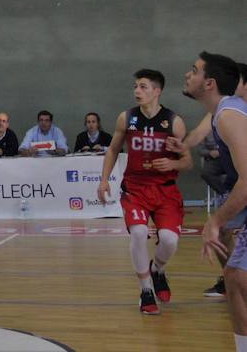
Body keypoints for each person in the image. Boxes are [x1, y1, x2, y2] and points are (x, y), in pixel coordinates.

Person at [97, 69, 189, 315]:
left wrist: (173, 164)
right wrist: (104, 180)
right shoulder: (126, 118)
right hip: (135, 188)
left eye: (143, 87)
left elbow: (187, 161)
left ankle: (158, 269)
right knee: (138, 233)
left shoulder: (174, 121)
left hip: (165, 191)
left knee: (169, 240)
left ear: (157, 91)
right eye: (136, 86)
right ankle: (146, 290)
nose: (137, 91)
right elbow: (113, 150)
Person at [170, 56, 246, 322]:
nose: (188, 75)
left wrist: (214, 220)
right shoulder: (220, 111)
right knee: (235, 277)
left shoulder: (229, 113)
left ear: (210, 83)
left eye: (194, 71)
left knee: (237, 277)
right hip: (239, 186)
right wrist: (184, 144)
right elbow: (200, 132)